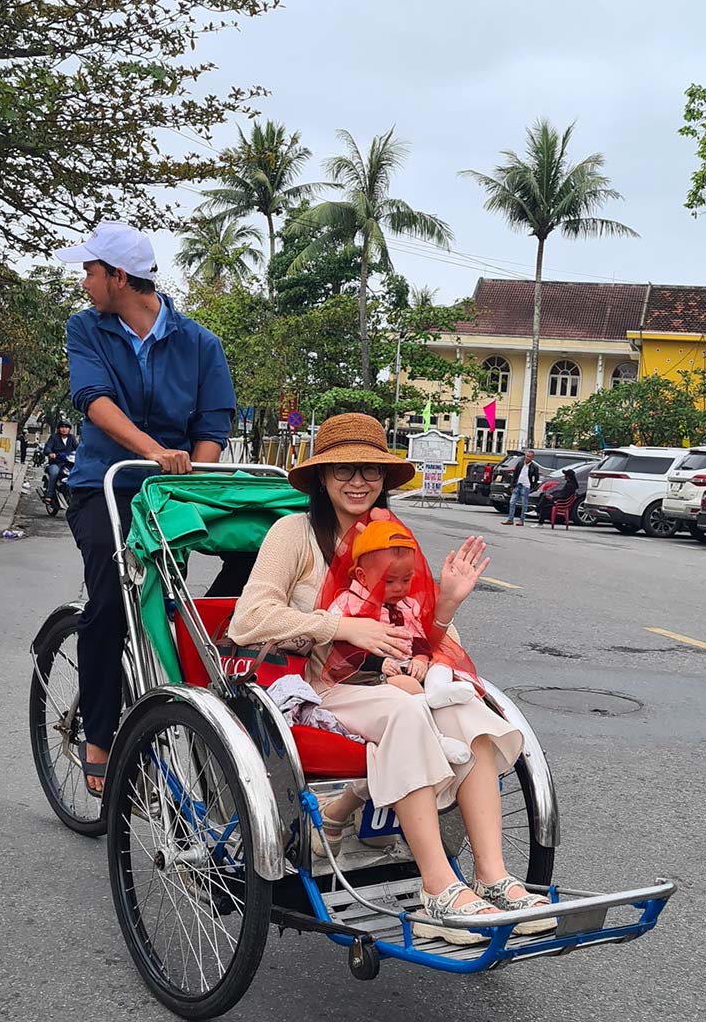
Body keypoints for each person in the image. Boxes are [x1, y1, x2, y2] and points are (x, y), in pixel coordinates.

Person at [231, 413, 556, 943]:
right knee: (405, 711)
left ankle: (493, 877)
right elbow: (248, 620)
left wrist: (445, 604)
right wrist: (343, 626)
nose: (358, 482)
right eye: (344, 470)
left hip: (390, 682)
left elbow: (414, 631)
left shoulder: (390, 536)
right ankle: (437, 888)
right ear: (320, 477)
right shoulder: (293, 534)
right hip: (319, 689)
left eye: (371, 471)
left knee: (468, 712)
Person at [56, 220, 236, 795]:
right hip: (103, 484)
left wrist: (193, 477)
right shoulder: (86, 328)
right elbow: (93, 400)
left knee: (182, 597)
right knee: (109, 598)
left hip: (173, 490)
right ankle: (101, 737)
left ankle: (189, 709)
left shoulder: (200, 343)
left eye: (90, 270)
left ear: (119, 276)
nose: (84, 279)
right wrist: (154, 452)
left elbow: (212, 423)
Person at [325, 518, 479, 766]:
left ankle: (438, 691)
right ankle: (436, 738)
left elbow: (417, 636)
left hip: (405, 664)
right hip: (364, 673)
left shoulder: (407, 604)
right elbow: (341, 646)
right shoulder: (349, 603)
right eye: (389, 581)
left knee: (443, 663)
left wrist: (421, 657)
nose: (399, 588)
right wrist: (379, 663)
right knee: (408, 686)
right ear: (363, 577)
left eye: (406, 580)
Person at [43, 419, 78, 504]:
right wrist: (50, 453)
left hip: (68, 464)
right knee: (54, 472)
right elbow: (47, 448)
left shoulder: (72, 438)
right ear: (59, 428)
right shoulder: (54, 437)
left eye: (66, 427)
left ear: (69, 429)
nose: (64, 429)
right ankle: (49, 495)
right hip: (55, 463)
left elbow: (78, 448)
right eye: (62, 427)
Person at [501, 450, 539, 527]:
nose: (528, 458)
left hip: (526, 486)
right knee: (512, 502)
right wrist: (512, 485)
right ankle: (510, 519)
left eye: (530, 457)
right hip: (518, 485)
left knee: (524, 504)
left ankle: (522, 520)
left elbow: (536, 478)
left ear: (532, 458)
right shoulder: (520, 463)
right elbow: (515, 475)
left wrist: (532, 487)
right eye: (527, 456)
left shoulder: (534, 467)